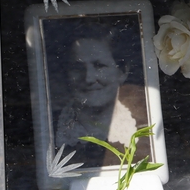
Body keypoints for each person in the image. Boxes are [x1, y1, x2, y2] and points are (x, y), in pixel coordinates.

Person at [51, 22, 150, 168]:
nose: (88, 78)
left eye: (99, 66)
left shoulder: (144, 128)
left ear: (122, 72)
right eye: (77, 68)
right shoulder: (51, 131)